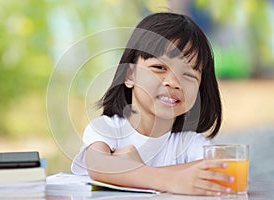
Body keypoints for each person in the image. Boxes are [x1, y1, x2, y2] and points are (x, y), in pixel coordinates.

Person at [71, 12, 234, 196]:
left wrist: (130, 170)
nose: (173, 82)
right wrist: (174, 180)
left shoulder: (188, 143)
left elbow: (226, 170)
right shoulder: (107, 129)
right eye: (159, 68)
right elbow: (99, 165)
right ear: (129, 75)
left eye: (188, 75)